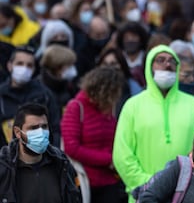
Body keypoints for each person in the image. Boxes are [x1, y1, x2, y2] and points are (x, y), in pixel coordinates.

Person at [113, 45, 194, 203]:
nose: (167, 64)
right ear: (149, 67)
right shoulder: (133, 105)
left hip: (185, 194)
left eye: (172, 61)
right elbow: (122, 155)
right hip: (143, 194)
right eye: (160, 60)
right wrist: (150, 185)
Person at [61, 67, 126, 203]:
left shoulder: (108, 109)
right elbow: (72, 147)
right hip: (85, 181)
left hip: (109, 182)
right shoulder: (76, 107)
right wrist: (108, 159)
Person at [0, 103, 81, 203]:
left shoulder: (62, 164)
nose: (41, 132)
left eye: (44, 126)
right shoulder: (4, 169)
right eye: (33, 128)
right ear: (18, 132)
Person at [0, 47, 60, 148]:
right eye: (20, 63)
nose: (24, 68)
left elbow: (55, 129)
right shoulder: (1, 95)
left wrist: (53, 157)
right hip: (6, 158)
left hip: (40, 157)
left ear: (34, 69)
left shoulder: (44, 95)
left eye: (29, 65)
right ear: (9, 66)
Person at [97, 48, 142, 118]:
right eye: (105, 64)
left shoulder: (133, 89)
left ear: (122, 65)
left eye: (113, 64)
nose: (109, 68)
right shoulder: (93, 90)